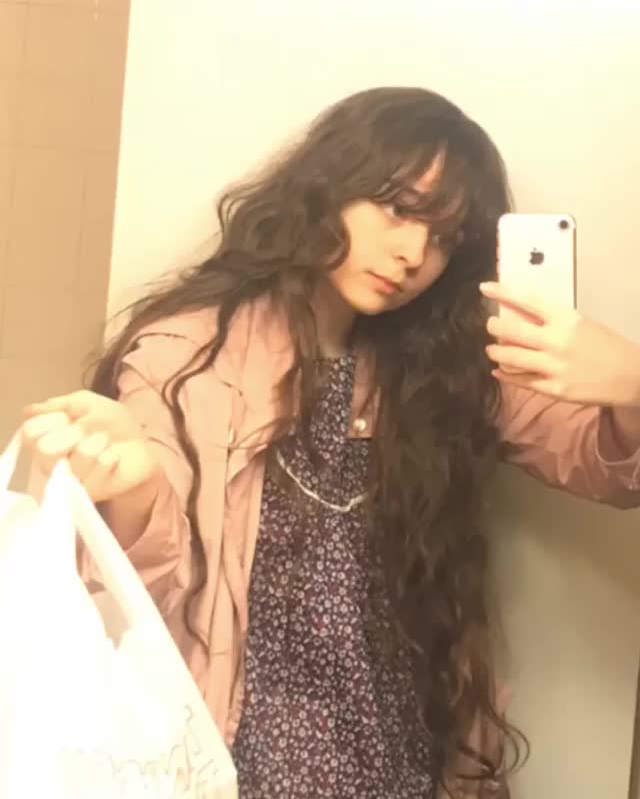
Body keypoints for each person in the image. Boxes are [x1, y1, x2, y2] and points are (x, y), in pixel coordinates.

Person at [22, 87, 640, 799]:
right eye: (397, 207)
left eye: (444, 238)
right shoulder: (189, 354)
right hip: (242, 755)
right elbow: (138, 590)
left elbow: (609, 470)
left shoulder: (441, 364)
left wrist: (629, 380)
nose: (413, 253)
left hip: (405, 753)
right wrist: (131, 492)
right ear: (330, 187)